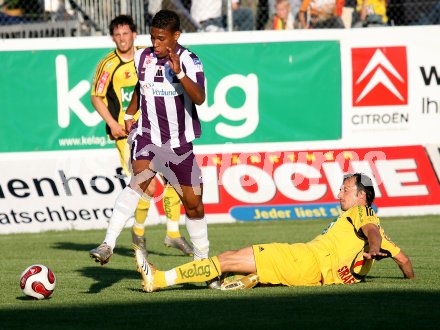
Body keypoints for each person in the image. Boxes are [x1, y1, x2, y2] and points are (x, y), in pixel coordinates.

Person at [134, 173, 415, 292]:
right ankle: (246, 281)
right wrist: (408, 280)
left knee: (228, 258)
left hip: (305, 259)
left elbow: (370, 231)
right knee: (237, 266)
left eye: (346, 189)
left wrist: (374, 246)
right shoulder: (377, 231)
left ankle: (159, 280)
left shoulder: (363, 214)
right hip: (313, 274)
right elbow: (404, 262)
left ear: (362, 196)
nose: (339, 193)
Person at [89, 14, 193, 266]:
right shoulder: (108, 64)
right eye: (117, 34)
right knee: (147, 184)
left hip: (160, 131)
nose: (122, 38)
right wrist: (116, 121)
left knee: (171, 183)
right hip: (129, 134)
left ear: (134, 35)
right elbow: (96, 96)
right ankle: (135, 234)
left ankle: (172, 233)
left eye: (126, 33)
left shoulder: (146, 55)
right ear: (113, 37)